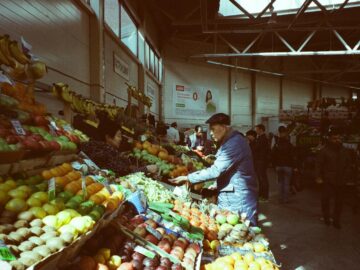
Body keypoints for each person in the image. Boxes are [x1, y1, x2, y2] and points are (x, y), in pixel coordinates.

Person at [169, 113, 258, 225]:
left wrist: (188, 178)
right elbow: (231, 169)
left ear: (224, 127)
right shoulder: (230, 141)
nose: (210, 133)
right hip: (232, 196)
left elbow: (216, 170)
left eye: (213, 129)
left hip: (238, 200)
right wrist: (217, 184)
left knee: (240, 233)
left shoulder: (234, 143)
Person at [80, 115, 157, 176]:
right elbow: (123, 173)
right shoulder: (106, 152)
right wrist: (146, 169)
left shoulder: (96, 146)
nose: (120, 139)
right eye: (118, 136)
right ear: (108, 137)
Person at [316, 129, 350, 229]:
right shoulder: (324, 151)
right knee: (325, 200)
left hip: (341, 180)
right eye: (335, 138)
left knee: (339, 202)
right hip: (328, 180)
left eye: (339, 138)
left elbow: (348, 164)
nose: (337, 140)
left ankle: (336, 220)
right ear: (330, 139)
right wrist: (318, 177)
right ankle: (326, 217)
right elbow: (318, 164)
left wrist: (347, 176)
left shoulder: (344, 151)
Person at [271, 126, 297, 203]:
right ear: (285, 133)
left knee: (280, 183)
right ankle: (285, 199)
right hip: (288, 166)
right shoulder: (289, 144)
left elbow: (273, 155)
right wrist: (295, 166)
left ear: (279, 133)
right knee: (286, 183)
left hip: (279, 166)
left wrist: (274, 165)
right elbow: (293, 156)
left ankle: (280, 198)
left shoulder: (276, 144)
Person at [254, 124, 270, 202]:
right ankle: (261, 195)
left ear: (261, 130)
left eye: (257, 129)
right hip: (260, 161)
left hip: (261, 161)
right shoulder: (260, 138)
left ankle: (265, 196)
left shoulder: (263, 139)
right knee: (260, 179)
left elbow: (261, 150)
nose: (256, 131)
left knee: (263, 179)